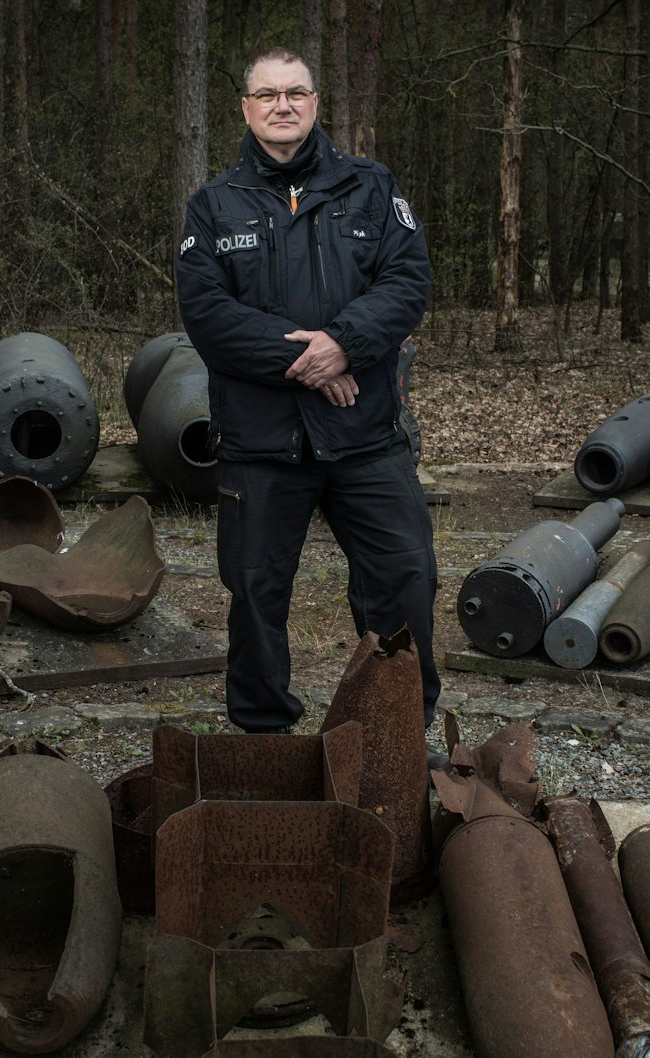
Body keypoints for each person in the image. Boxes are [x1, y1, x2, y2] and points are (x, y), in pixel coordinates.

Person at [175, 46, 440, 734]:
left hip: (366, 435)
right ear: (246, 107)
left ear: (316, 104)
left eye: (295, 93)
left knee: (404, 580)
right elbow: (207, 314)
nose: (282, 105)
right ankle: (263, 733)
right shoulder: (213, 206)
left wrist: (345, 342)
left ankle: (392, 731)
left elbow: (406, 283)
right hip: (261, 444)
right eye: (267, 95)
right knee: (256, 594)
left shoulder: (372, 189)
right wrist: (311, 359)